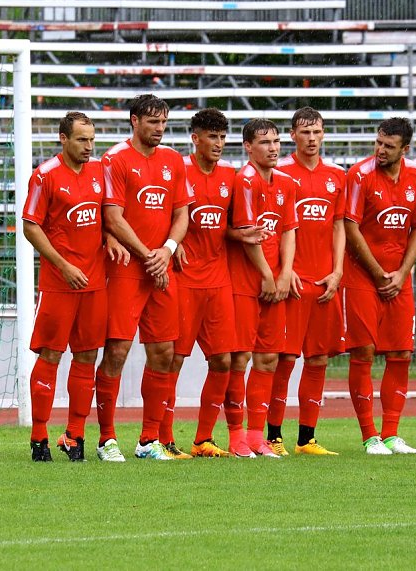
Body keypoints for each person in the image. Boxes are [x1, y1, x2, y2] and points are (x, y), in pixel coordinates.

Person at [160, 108, 269, 458]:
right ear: (196, 139)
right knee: (173, 361)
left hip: (219, 281)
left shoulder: (230, 176)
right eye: (212, 137)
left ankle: (203, 439)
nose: (218, 144)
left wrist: (244, 235)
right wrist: (170, 245)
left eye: (223, 137)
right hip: (184, 281)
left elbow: (229, 227)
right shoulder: (180, 171)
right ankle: (162, 438)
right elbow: (166, 217)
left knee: (223, 361)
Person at [22, 112, 127, 462]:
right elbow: (31, 226)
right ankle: (39, 437)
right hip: (59, 284)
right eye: (82, 140)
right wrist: (63, 265)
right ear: (63, 139)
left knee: (87, 357)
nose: (89, 147)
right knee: (50, 356)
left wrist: (110, 237)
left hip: (95, 284)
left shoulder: (99, 172)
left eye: (92, 140)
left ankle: (74, 435)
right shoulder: (45, 175)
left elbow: (105, 217)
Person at [95, 94, 193, 461]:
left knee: (164, 352)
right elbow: (113, 217)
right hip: (125, 270)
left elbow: (182, 214)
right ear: (134, 121)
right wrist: (147, 254)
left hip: (160, 268)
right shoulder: (115, 159)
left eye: (164, 122)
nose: (160, 129)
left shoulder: (172, 161)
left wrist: (166, 250)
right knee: (117, 350)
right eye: (153, 122)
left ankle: (148, 440)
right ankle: (106, 440)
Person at [344, 117, 416, 455]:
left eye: (389, 146)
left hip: (399, 277)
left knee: (401, 353)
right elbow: (351, 228)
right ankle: (369, 436)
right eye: (378, 143)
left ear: (405, 149)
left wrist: (402, 273)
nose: (380, 150)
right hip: (362, 276)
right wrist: (379, 272)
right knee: (364, 351)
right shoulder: (360, 175)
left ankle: (392, 433)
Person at [272, 106, 346, 456]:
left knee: (318, 360)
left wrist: (338, 271)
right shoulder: (281, 173)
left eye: (317, 132)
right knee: (284, 360)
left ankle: (307, 438)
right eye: (304, 132)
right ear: (293, 135)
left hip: (325, 282)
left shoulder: (336, 175)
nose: (311, 138)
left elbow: (338, 225)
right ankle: (273, 436)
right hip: (293, 282)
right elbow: (279, 226)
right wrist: (287, 270)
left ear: (324, 133)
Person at [226, 118, 298, 458]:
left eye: (276, 141)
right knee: (240, 358)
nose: (273, 148)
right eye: (264, 142)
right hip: (246, 282)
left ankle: (257, 436)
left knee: (268, 358)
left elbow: (287, 231)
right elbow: (249, 235)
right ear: (248, 147)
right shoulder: (245, 181)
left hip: (274, 281)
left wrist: (285, 274)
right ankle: (236, 436)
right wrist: (268, 275)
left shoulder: (286, 183)